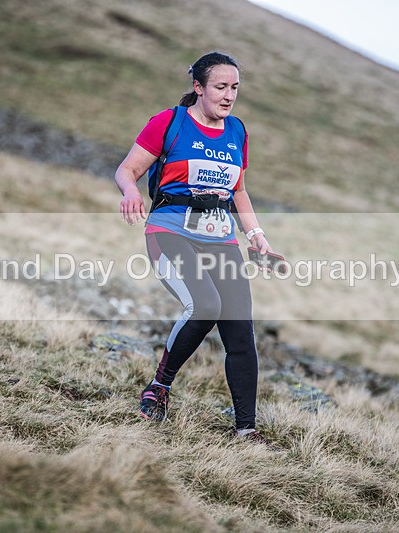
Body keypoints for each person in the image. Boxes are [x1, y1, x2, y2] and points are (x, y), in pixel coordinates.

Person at [114, 51, 274, 444]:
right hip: (170, 232)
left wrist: (256, 235)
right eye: (220, 87)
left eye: (234, 87)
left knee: (240, 330)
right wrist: (130, 191)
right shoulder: (169, 122)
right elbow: (127, 169)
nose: (229, 95)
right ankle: (159, 386)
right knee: (204, 305)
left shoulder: (237, 131)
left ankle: (246, 429)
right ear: (198, 87)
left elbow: (238, 191)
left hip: (221, 239)